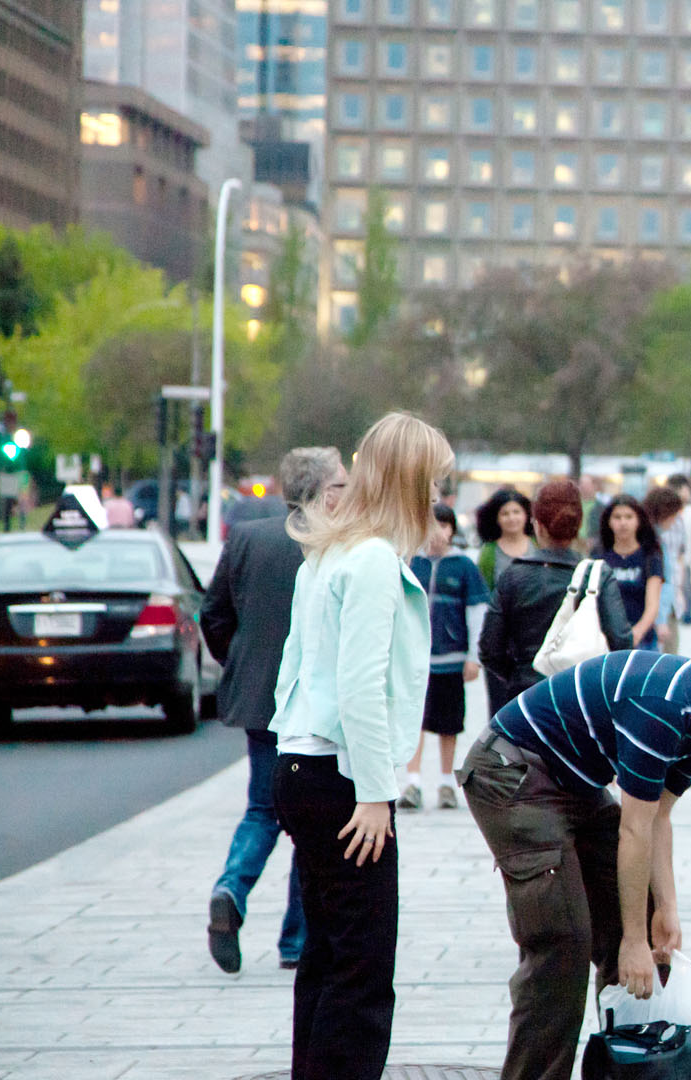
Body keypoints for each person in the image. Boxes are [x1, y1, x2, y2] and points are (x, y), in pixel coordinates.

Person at [458, 640, 691, 1080]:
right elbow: (633, 829)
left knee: (646, 933)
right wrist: (630, 940)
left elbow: (658, 817)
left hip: (573, 782)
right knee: (563, 944)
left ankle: (627, 1067)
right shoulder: (664, 703)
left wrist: (665, 909)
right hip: (511, 773)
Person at [271, 413, 454, 1080]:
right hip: (342, 778)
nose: (438, 498)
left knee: (327, 956)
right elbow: (360, 687)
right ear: (409, 482)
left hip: (301, 764)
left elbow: (293, 669)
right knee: (362, 970)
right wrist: (376, 792)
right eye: (432, 482)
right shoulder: (373, 559)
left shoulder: (328, 553)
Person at [199, 445, 346, 974]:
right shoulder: (331, 545)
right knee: (310, 818)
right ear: (322, 491)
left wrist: (238, 664)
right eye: (341, 485)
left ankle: (231, 888)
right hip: (310, 702)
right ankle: (296, 940)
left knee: (263, 807)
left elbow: (213, 614)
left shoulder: (247, 538)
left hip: (258, 699)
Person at [480, 478, 635, 711]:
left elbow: (490, 649)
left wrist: (520, 674)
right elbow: (621, 641)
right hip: (581, 697)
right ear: (578, 524)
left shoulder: (513, 576)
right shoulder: (597, 575)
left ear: (537, 524)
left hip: (525, 698)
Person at [399, 503, 491, 811]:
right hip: (415, 661)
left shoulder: (463, 566)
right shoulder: (411, 563)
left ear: (453, 529)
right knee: (415, 722)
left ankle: (446, 783)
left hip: (451, 659)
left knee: (450, 724)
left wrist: (474, 656)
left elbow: (477, 612)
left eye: (443, 525)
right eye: (430, 525)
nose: (437, 532)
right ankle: (412, 783)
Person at [591, 493, 667, 650]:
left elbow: (653, 606)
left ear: (638, 520)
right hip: (604, 641)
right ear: (609, 521)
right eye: (617, 517)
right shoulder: (598, 557)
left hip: (642, 641)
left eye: (628, 517)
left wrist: (636, 634)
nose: (623, 523)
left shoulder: (650, 556)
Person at [641, 485, 687, 652]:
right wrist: (661, 620)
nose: (674, 521)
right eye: (673, 516)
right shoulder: (655, 543)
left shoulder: (649, 539)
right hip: (659, 615)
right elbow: (664, 581)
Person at [475, 489, 534, 589]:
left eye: (516, 512)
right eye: (505, 514)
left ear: (526, 515)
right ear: (496, 519)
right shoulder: (488, 551)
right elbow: (484, 589)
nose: (512, 518)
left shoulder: (539, 546)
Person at [668, 475, 691, 624]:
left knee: (686, 584)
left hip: (686, 555)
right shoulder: (669, 511)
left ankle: (687, 612)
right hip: (671, 554)